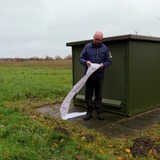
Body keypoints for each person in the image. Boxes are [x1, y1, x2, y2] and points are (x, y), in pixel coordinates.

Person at [80, 31, 112, 120]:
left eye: (99, 39)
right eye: (95, 39)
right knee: (88, 94)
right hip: (89, 75)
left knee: (99, 95)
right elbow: (81, 58)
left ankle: (99, 112)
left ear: (102, 39)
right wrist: (86, 62)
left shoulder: (105, 48)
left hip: (99, 76)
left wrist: (103, 65)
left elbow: (109, 61)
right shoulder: (87, 47)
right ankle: (89, 112)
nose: (97, 41)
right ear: (93, 37)